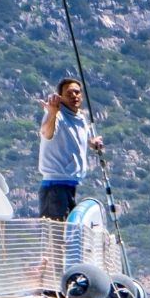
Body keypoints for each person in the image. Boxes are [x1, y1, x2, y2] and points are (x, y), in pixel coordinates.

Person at [37, 76, 103, 221]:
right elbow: (46, 132)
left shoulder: (80, 118)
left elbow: (77, 138)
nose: (74, 96)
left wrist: (92, 143)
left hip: (71, 185)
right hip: (55, 187)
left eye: (77, 92)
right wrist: (52, 112)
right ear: (60, 98)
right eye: (69, 93)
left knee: (67, 235)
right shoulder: (57, 115)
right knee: (56, 237)